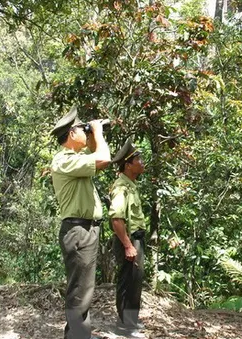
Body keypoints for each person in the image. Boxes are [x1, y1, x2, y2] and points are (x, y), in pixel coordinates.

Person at [50, 106, 111, 339]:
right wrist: (96, 130)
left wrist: (94, 132)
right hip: (78, 231)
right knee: (79, 293)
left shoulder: (76, 160)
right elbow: (104, 158)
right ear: (72, 133)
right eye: (82, 129)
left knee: (84, 290)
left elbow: (98, 154)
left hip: (86, 230)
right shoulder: (63, 160)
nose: (86, 133)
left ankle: (80, 334)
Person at [109, 138, 147, 338]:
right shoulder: (121, 187)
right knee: (127, 282)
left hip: (136, 239)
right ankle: (124, 327)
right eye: (138, 159)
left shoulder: (130, 184)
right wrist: (127, 245)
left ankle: (131, 322)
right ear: (128, 164)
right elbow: (116, 219)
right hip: (129, 240)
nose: (142, 162)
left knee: (135, 282)